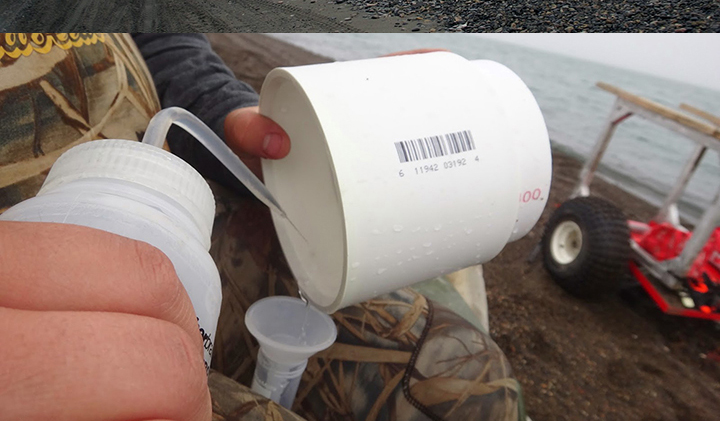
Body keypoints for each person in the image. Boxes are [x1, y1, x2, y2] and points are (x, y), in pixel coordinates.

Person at [0, 33, 522, 421]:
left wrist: (229, 115)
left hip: (188, 202)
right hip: (24, 277)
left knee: (466, 376)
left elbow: (159, 34)